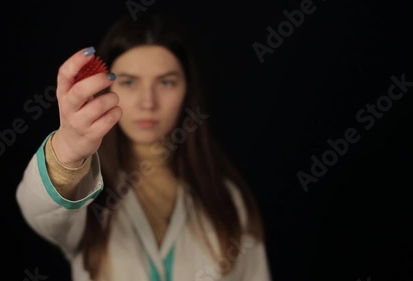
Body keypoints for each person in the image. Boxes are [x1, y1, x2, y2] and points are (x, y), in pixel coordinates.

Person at [16, 12, 272, 281]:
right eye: (128, 82)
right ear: (104, 90)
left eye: (166, 82)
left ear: (188, 91)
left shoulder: (228, 199)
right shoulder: (87, 192)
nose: (147, 102)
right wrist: (66, 155)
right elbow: (40, 212)